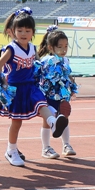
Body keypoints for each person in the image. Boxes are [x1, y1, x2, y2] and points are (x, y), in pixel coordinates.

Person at [0, 8, 68, 167]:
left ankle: (53, 123)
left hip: (32, 86)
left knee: (42, 104)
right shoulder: (11, 49)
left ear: (33, 32)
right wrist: (2, 83)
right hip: (16, 89)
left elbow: (38, 65)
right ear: (13, 31)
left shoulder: (33, 48)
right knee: (17, 123)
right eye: (20, 30)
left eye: (28, 31)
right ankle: (11, 150)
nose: (23, 33)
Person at [37, 26, 76, 158]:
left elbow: (67, 74)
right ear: (50, 47)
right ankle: (46, 148)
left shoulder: (66, 60)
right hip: (48, 96)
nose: (63, 50)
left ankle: (66, 145)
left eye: (66, 46)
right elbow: (39, 77)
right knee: (48, 121)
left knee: (64, 119)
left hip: (62, 96)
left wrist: (72, 86)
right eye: (60, 47)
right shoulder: (45, 61)